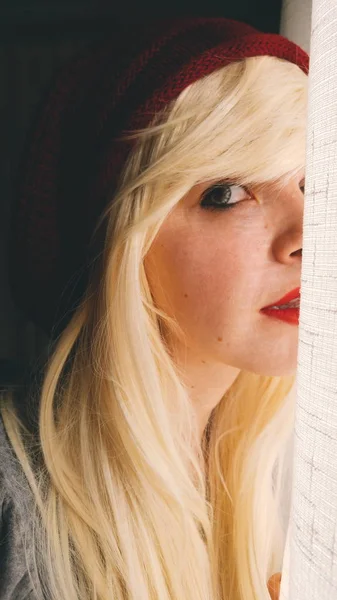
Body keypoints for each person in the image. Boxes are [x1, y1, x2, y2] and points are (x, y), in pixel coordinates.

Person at [0, 17, 308, 600]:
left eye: (315, 186)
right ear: (121, 244)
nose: (308, 234)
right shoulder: (14, 504)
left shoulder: (278, 479)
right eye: (226, 193)